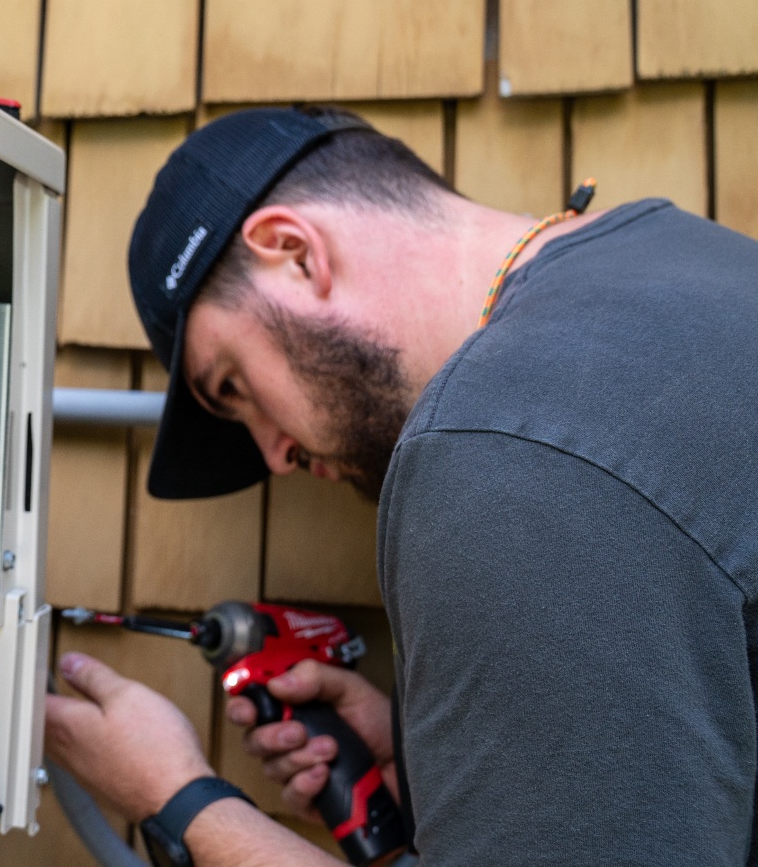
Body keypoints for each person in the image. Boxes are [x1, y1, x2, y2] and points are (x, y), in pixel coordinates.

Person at [43, 105, 758, 866]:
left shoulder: (496, 453)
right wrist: (443, 770)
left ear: (292, 252)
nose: (274, 454)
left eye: (233, 386)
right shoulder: (686, 255)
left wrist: (184, 801)